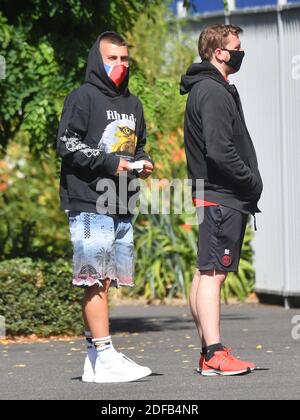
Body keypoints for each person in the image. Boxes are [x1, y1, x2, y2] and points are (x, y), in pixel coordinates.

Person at [57, 31, 154, 383]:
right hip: (88, 199)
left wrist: (143, 161)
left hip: (120, 201)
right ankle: (105, 353)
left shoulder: (133, 104)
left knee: (106, 279)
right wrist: (108, 162)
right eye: (112, 58)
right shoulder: (83, 97)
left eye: (125, 59)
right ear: (98, 60)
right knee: (94, 279)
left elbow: (137, 146)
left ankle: (94, 361)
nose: (120, 65)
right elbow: (66, 143)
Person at [180, 25, 263, 376]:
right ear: (220, 53)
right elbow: (219, 150)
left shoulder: (209, 89)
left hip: (215, 195)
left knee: (205, 274)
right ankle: (214, 353)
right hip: (222, 196)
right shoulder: (212, 92)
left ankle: (208, 352)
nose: (241, 53)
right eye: (237, 47)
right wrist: (250, 181)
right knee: (213, 274)